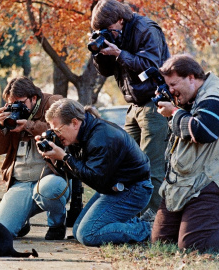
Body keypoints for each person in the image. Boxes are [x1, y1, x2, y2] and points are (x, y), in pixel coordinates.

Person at [90, 0, 170, 221]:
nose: (107, 33)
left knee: (151, 165)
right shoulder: (116, 34)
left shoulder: (146, 29)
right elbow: (105, 72)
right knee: (126, 162)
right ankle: (129, 213)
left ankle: (152, 219)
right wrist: (99, 52)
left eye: (109, 29)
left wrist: (119, 53)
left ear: (120, 20)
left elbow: (151, 63)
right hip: (134, 105)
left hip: (154, 104)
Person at [37, 98, 153, 246]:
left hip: (133, 190)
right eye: (53, 131)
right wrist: (54, 157)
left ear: (74, 122)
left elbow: (95, 179)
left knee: (88, 234)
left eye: (58, 130)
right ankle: (128, 220)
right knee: (79, 229)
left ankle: (147, 229)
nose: (57, 135)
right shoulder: (78, 136)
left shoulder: (102, 137)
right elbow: (75, 173)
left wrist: (65, 157)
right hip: (112, 188)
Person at [151, 54, 219, 251]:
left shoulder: (213, 96)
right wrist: (177, 106)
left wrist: (173, 112)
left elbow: (203, 131)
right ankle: (215, 225)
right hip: (186, 180)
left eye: (173, 84)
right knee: (161, 243)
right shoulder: (195, 96)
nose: (171, 91)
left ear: (191, 77)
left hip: (212, 179)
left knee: (194, 245)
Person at [0, 76, 69, 240]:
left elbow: (63, 130)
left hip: (49, 179)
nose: (16, 107)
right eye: (12, 103)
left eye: (21, 103)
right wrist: (0, 126)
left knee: (49, 188)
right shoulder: (11, 114)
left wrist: (29, 126)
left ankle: (57, 224)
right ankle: (21, 219)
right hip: (21, 183)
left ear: (34, 98)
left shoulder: (53, 103)